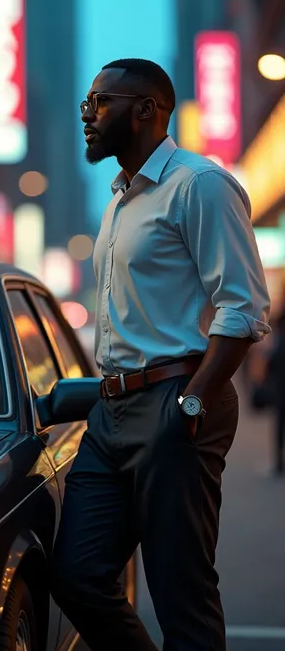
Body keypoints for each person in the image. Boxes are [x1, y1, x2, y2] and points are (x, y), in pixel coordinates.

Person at [50, 58, 271, 651]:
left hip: (176, 399)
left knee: (182, 592)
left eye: (99, 103)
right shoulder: (120, 199)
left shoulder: (200, 185)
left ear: (146, 109)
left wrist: (192, 401)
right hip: (112, 409)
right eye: (85, 106)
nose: (88, 117)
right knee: (77, 577)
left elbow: (244, 309)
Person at [266, 311, 285, 474]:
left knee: (280, 429)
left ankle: (279, 464)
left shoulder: (280, 343)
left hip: (281, 392)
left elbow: (271, 364)